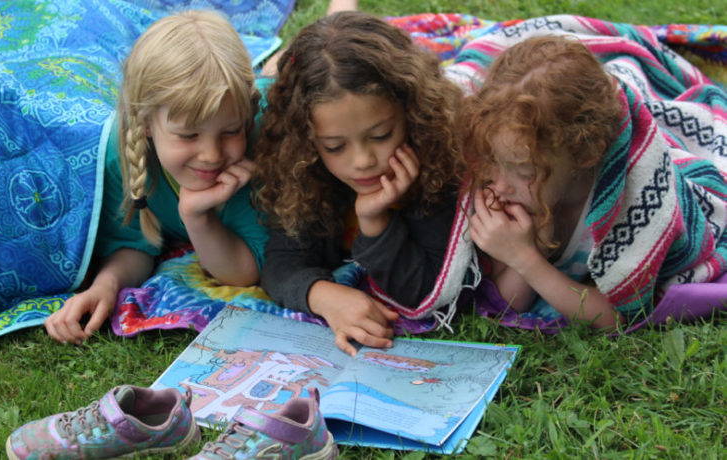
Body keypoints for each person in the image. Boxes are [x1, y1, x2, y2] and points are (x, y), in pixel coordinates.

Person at [461, 35, 727, 330]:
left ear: (587, 154)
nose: (500, 184)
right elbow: (512, 304)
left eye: (524, 172)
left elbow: (614, 317)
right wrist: (519, 250)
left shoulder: (630, 203)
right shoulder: (510, 180)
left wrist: (526, 259)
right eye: (495, 162)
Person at [44, 10, 269, 344]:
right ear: (146, 124)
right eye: (188, 136)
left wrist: (196, 216)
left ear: (246, 119)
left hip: (274, 93)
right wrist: (105, 285)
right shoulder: (123, 154)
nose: (212, 154)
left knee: (307, 62)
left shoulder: (258, 143)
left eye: (230, 131)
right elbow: (135, 244)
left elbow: (245, 271)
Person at [255, 11, 463, 356]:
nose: (363, 161)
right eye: (335, 146)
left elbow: (425, 291)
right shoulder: (305, 172)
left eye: (381, 135)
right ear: (306, 142)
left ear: (412, 114)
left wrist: (374, 222)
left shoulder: (435, 164)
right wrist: (324, 295)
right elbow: (281, 262)